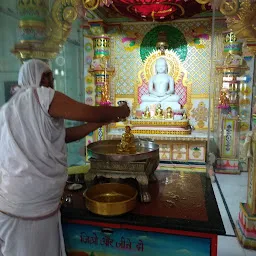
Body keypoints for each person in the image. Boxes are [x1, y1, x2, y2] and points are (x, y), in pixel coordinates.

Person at [0, 59, 130, 256]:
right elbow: (89, 112)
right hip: (31, 201)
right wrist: (122, 110)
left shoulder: (9, 108)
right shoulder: (40, 96)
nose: (50, 83)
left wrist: (101, 123)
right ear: (35, 78)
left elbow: (63, 136)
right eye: (46, 77)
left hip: (13, 199)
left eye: (51, 78)